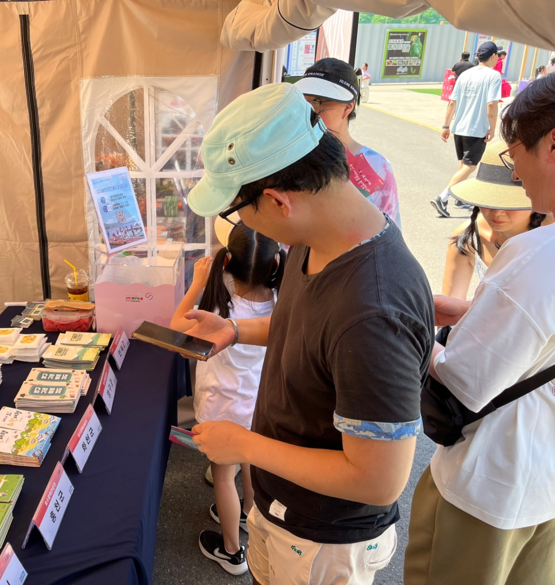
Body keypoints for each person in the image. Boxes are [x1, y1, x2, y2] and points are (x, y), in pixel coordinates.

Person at [183, 83, 434, 585]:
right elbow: (307, 329)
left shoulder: (373, 310)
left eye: (235, 210)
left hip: (323, 540)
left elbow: (378, 480)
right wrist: (235, 329)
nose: (241, 222)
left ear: (277, 200)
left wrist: (244, 445)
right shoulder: (318, 233)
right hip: (282, 508)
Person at [405, 74, 555, 585]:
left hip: (492, 481)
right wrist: (476, 314)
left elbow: (465, 379)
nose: (515, 173)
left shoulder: (535, 255)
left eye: (514, 156)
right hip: (543, 486)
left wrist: (416, 329)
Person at [170, 224, 282, 576]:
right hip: (257, 404)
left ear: (227, 261)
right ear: (276, 263)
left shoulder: (221, 304)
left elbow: (177, 327)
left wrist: (197, 283)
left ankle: (232, 551)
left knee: (223, 476)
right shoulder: (280, 301)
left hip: (221, 407)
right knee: (249, 460)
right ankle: (249, 512)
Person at [296, 58, 402, 228]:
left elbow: (389, 235)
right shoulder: (288, 154)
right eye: (302, 101)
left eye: (317, 101)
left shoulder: (377, 168)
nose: (307, 110)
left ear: (348, 107)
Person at [441, 140, 549, 300]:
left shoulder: (550, 237)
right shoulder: (469, 237)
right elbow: (451, 302)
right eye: (489, 200)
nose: (497, 212)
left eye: (510, 203)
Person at [432, 41, 502, 218]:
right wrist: (492, 128)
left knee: (463, 164)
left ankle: (459, 197)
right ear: (493, 56)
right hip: (476, 128)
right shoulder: (493, 76)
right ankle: (443, 197)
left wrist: (446, 126)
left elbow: (452, 102)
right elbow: (492, 104)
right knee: (470, 165)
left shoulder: (464, 75)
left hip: (460, 127)